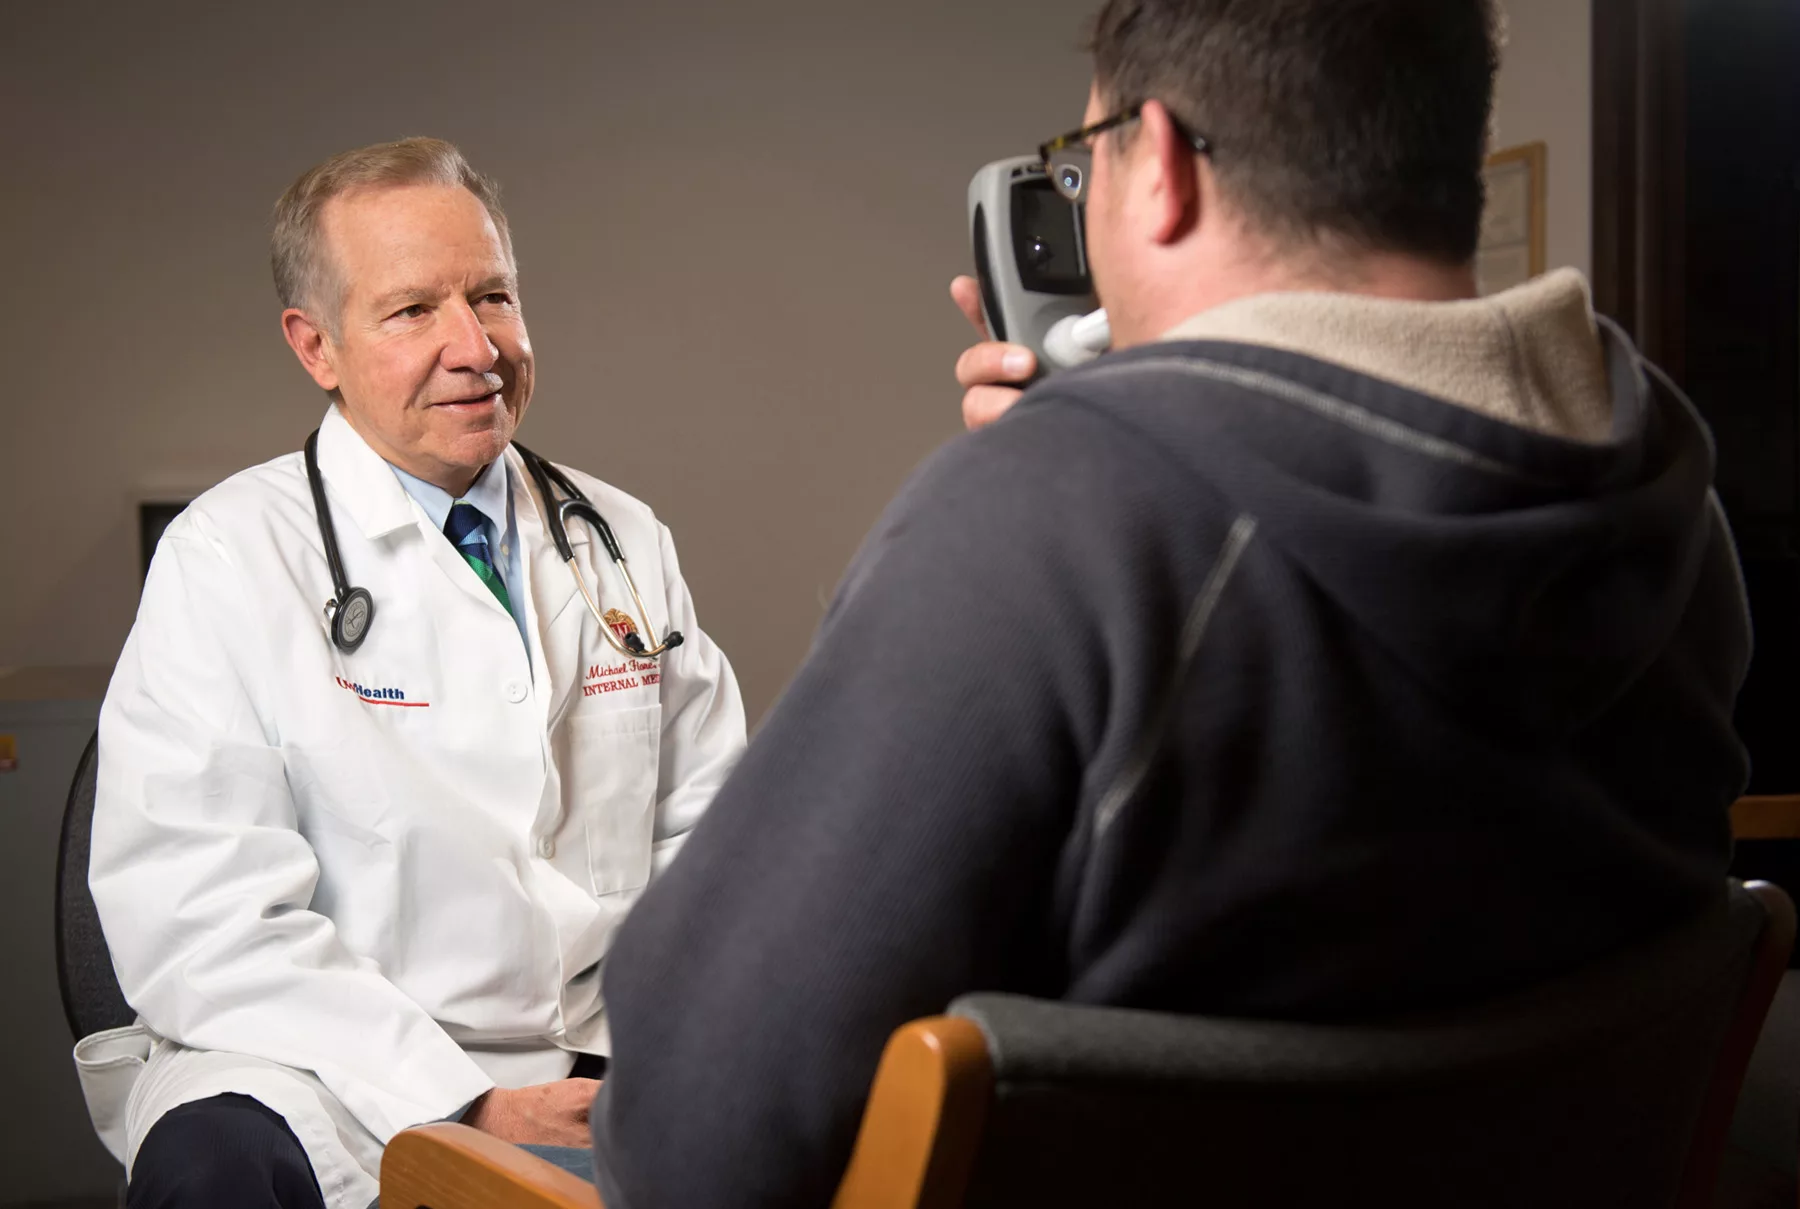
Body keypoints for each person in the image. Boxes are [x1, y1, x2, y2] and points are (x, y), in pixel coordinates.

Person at [586, 1, 1752, 1205]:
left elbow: (693, 1138)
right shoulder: (1670, 507)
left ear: (1162, 166)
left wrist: (1039, 496)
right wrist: (1114, 443)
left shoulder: (1050, 523)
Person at [78, 138, 746, 1209]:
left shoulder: (619, 539)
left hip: (598, 1046)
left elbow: (713, 846)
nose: (474, 346)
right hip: (323, 1066)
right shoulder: (231, 558)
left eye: (493, 297)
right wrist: (458, 1100)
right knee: (216, 1176)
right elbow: (204, 915)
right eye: (411, 312)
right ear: (317, 346)